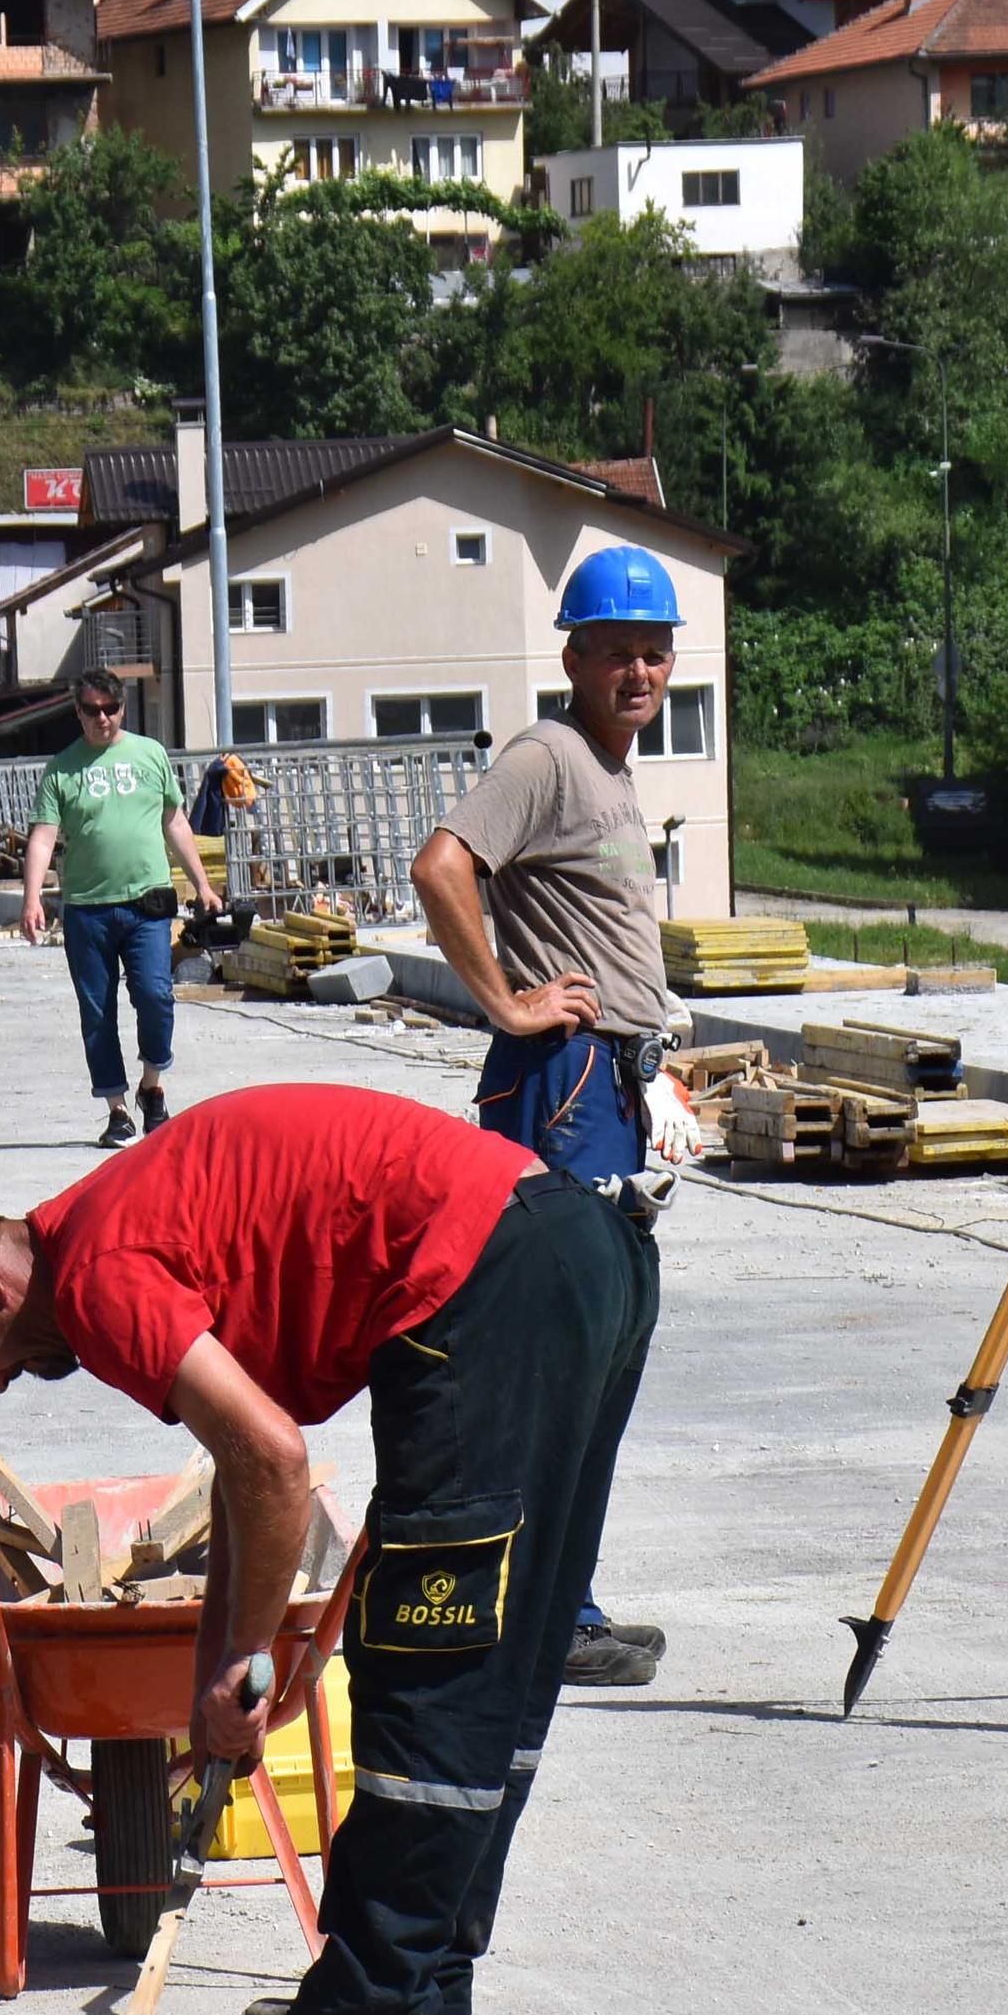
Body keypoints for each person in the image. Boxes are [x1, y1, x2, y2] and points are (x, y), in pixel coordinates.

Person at [0, 1085, 659, 2015]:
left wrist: (248, 1666)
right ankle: (421, 1992)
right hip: (574, 1255)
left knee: (431, 1664)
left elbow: (272, 1462)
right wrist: (228, 1675)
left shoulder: (96, 1280)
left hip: (486, 1281)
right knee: (497, 1658)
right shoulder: (113, 1223)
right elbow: (242, 1495)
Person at [408, 545, 698, 1691]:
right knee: (556, 1351)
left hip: (611, 1084)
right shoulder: (548, 757)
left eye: (653, 652)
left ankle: (565, 1603)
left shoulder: (615, 774)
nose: (637, 670)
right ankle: (540, 1611)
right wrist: (505, 1000)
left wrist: (657, 1062)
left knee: (607, 1347)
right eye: (616, 651)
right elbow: (441, 868)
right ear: (572, 656)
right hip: (563, 1086)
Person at [23, 669, 223, 1149]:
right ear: (78, 712)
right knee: (97, 1011)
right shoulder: (62, 769)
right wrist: (31, 896)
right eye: (91, 710)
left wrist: (203, 883)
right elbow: (45, 836)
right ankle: (116, 1111)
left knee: (155, 994)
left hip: (147, 903)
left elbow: (173, 821)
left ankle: (152, 1086)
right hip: (88, 908)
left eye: (110, 709)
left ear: (122, 708)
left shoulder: (150, 755)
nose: (102, 718)